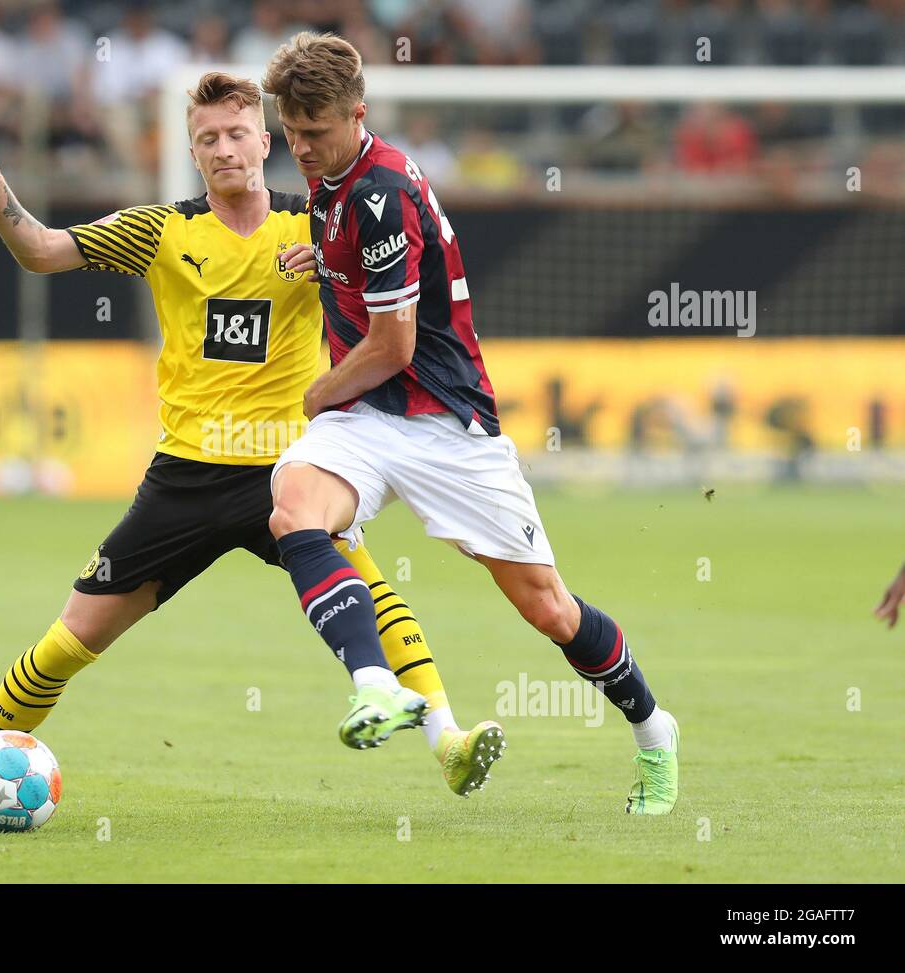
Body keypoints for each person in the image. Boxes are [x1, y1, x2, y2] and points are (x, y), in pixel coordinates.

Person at [0, 72, 502, 821]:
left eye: (236, 134)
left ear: (264, 142)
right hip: (184, 479)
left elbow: (391, 303)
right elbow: (44, 251)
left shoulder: (315, 225)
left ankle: (446, 739)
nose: (223, 149)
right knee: (71, 635)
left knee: (374, 597)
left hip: (287, 471)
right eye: (206, 139)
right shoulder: (162, 230)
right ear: (192, 152)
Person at [261, 32, 679, 814]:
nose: (301, 147)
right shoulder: (332, 176)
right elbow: (373, 273)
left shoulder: (382, 190)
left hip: (446, 421)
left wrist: (318, 392)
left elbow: (394, 344)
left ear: (359, 113)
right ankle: (378, 684)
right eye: (290, 131)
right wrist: (323, 264)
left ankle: (655, 731)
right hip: (370, 420)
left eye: (315, 131)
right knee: (293, 504)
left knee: (547, 608)